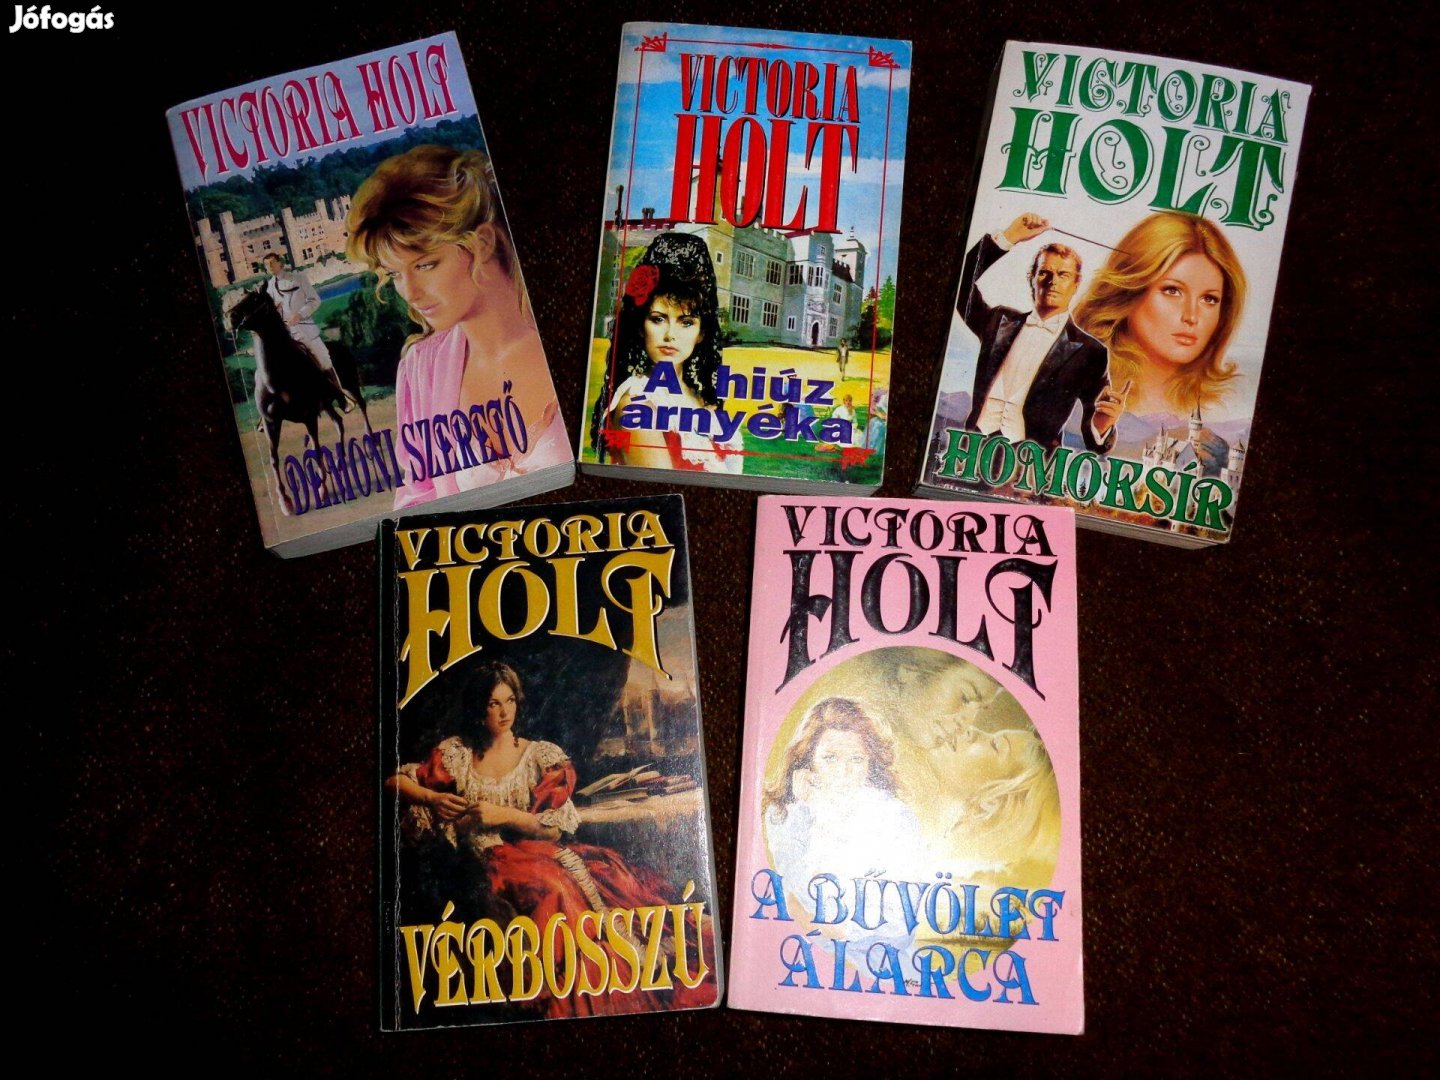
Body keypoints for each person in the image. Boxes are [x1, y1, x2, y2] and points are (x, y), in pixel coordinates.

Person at [387, 661, 716, 1018]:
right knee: (552, 887)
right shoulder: (457, 754)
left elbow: (555, 829)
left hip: (537, 852)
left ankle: (606, 974)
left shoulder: (539, 756)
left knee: (597, 879)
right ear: (478, 708)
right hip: (482, 860)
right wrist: (433, 798)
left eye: (510, 701)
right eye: (494, 703)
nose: (504, 712)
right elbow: (393, 782)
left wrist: (504, 815)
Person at [347, 145, 570, 509]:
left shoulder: (569, 332)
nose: (409, 293)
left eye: (425, 265)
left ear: (482, 243)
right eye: (394, 274)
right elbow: (416, 500)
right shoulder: (421, 369)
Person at [762, 698, 926, 957]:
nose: (844, 772)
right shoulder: (784, 815)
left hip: (878, 958)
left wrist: (817, 921)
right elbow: (785, 899)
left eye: (857, 759)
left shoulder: (895, 818)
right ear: (808, 760)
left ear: (870, 763)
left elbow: (899, 923)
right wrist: (803, 812)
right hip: (796, 950)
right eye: (830, 758)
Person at [957, 213, 1124, 452]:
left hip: (1030, 465)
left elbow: (1095, 439)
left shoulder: (1091, 353)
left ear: (1076, 285)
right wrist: (1009, 237)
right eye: (1045, 272)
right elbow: (958, 284)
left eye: (1063, 275)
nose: (1052, 281)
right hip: (971, 451)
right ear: (1032, 279)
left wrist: (1102, 424)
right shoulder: (999, 321)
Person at [1073, 211, 1248, 417]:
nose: (1191, 317)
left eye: (1209, 299)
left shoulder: (1222, 406)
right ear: (1128, 292)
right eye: (1172, 291)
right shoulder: (1079, 380)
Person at [593, 232, 741, 473]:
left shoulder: (700, 397)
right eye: (658, 319)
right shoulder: (637, 404)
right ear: (641, 326)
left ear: (701, 333)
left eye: (686, 322)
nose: (671, 334)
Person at [262, 252, 353, 410]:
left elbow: (315, 300)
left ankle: (342, 398)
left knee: (324, 359)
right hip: (286, 335)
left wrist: (299, 315)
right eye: (266, 265)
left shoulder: (298, 278)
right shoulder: (269, 287)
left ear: (280, 263)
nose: (269, 267)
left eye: (272, 263)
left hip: (305, 329)